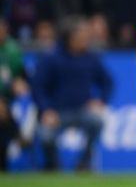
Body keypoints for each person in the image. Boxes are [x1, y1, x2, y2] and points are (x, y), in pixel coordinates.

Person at [33, 18, 113, 171]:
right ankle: (53, 165)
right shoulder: (51, 58)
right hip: (57, 111)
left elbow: (107, 81)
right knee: (46, 135)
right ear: (70, 37)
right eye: (82, 36)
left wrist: (101, 100)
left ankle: (84, 162)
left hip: (82, 109)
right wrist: (46, 109)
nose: (86, 40)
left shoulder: (91, 57)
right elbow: (38, 87)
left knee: (97, 122)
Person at [0, 16, 28, 170]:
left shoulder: (12, 48)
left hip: (5, 99)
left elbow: (21, 75)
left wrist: (19, 83)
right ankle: (16, 133)